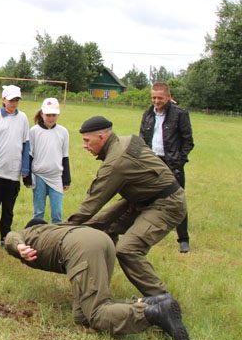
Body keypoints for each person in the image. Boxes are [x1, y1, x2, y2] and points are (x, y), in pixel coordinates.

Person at [5, 219, 190, 340]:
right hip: (102, 241)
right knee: (82, 317)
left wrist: (19, 246)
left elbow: (10, 236)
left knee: (96, 315)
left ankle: (154, 313)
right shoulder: (57, 228)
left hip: (82, 248)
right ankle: (152, 301)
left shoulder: (31, 233)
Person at [67, 116, 186, 298]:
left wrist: (62, 229)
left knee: (128, 250)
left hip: (166, 204)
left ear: (102, 137)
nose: (84, 145)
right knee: (101, 226)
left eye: (86, 140)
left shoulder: (116, 162)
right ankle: (98, 286)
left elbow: (92, 204)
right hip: (141, 198)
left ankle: (163, 301)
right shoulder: (127, 140)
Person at [139, 82, 194, 253]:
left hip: (172, 164)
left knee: (177, 201)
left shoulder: (180, 114)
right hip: (151, 162)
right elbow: (142, 138)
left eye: (159, 98)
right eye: (153, 97)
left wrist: (179, 161)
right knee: (145, 199)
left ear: (168, 97)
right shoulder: (147, 114)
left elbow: (188, 141)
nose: (156, 101)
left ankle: (183, 239)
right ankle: (142, 235)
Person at [0, 84, 30, 247]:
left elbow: (26, 144)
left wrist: (25, 169)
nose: (13, 103)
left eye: (16, 100)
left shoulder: (23, 118)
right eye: (11, 100)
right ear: (3, 100)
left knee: (8, 209)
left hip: (13, 173)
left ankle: (5, 237)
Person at [28, 98, 71, 224]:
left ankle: (55, 239)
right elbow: (30, 155)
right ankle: (35, 236)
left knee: (57, 212)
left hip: (56, 176)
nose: (50, 118)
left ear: (57, 115)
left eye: (53, 115)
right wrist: (28, 177)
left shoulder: (63, 132)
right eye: (48, 115)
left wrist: (66, 178)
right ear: (42, 114)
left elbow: (65, 156)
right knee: (39, 211)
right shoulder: (34, 131)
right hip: (39, 175)